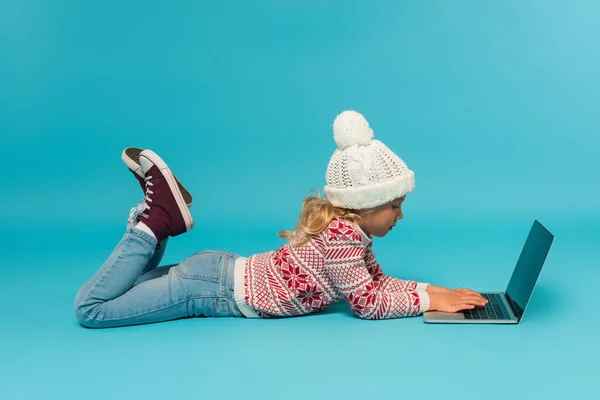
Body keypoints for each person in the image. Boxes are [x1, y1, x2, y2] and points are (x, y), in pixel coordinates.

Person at [73, 110, 488, 328]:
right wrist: (429, 301)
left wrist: (434, 289)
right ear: (363, 205)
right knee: (91, 309)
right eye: (393, 205)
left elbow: (375, 283)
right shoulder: (343, 237)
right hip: (207, 290)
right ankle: (155, 221)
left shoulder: (348, 231)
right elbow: (367, 303)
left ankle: (158, 220)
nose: (400, 215)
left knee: (119, 290)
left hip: (216, 273)